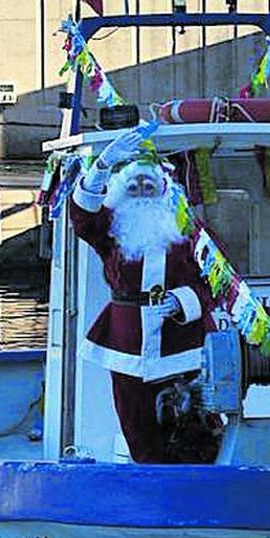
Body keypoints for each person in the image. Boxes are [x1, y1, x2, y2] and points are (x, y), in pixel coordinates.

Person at [68, 129, 215, 463]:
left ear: (164, 190)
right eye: (134, 187)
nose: (142, 193)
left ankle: (200, 483)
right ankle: (148, 481)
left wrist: (184, 301)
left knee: (197, 424)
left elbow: (218, 284)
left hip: (184, 343)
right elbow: (81, 214)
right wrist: (103, 164)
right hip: (126, 343)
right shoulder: (109, 230)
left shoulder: (190, 232)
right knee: (137, 424)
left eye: (149, 186)